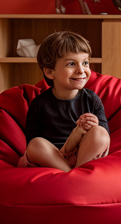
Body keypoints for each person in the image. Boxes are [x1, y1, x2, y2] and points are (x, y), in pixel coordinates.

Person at [18, 31, 110, 172]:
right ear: (50, 72)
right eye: (71, 64)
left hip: (82, 156)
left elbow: (104, 135)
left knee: (100, 134)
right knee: (36, 144)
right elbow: (32, 143)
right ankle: (74, 176)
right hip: (51, 159)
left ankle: (74, 174)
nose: (81, 70)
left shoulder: (91, 99)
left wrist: (93, 125)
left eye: (85, 63)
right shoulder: (39, 103)